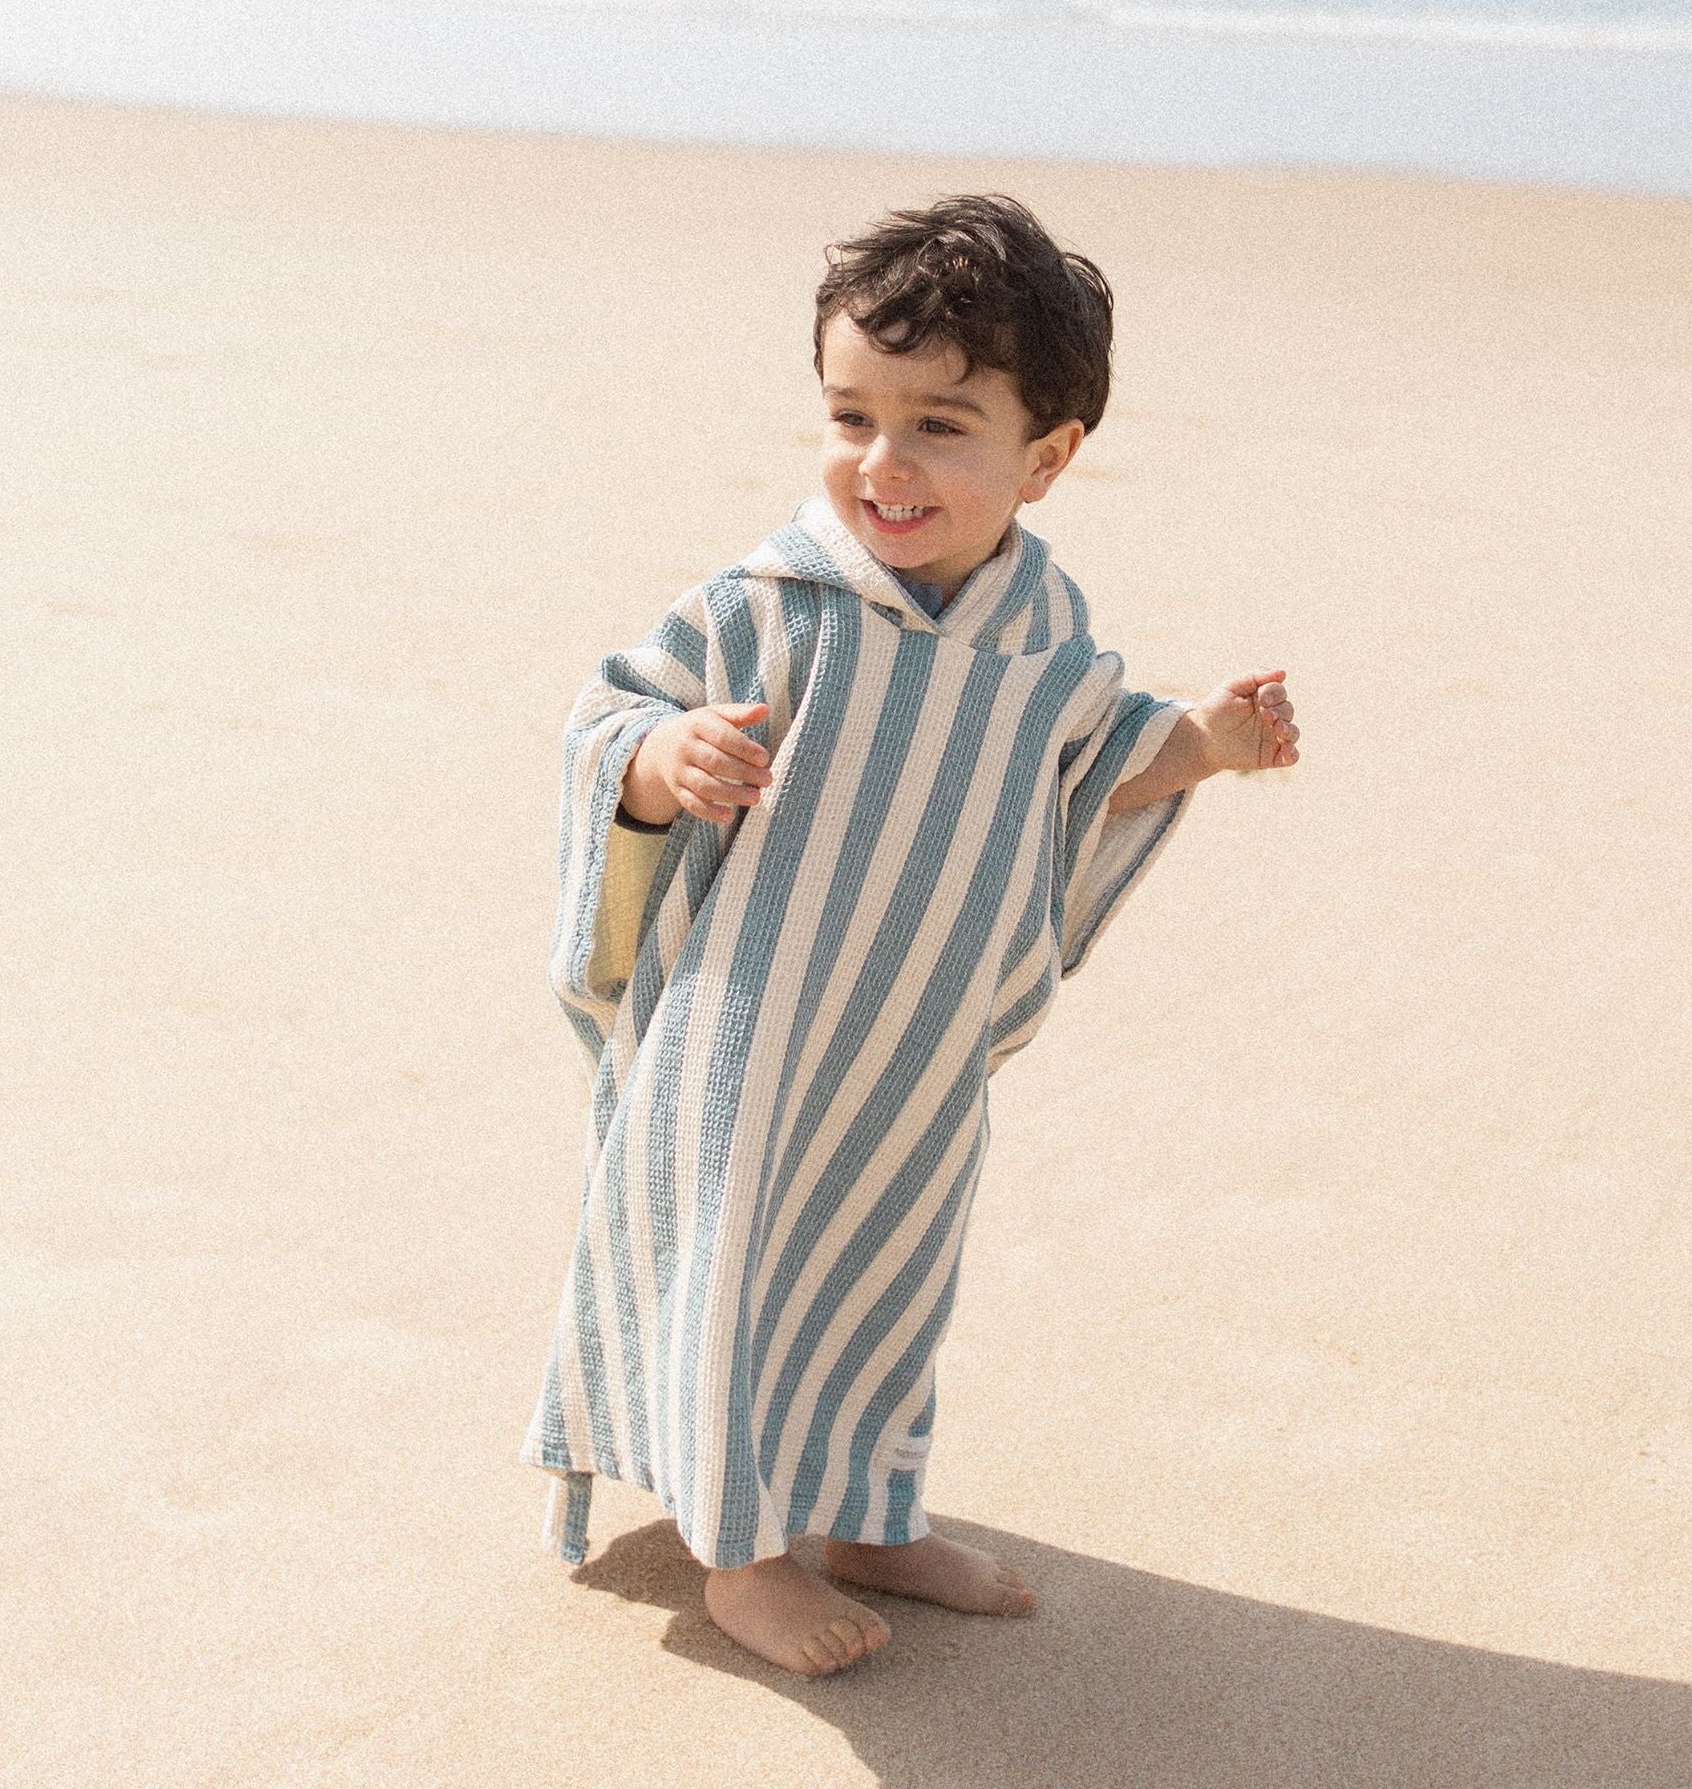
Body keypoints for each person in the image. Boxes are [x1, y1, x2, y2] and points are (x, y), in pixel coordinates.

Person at [520, 193, 1299, 1678]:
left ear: (1046, 457)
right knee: (738, 1271)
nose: (885, 463)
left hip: (913, 1048)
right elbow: (608, 712)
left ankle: (871, 1513)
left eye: (942, 425)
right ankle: (741, 1557)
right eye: (852, 415)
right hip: (745, 1038)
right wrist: (661, 758)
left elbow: (1085, 765)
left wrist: (1201, 741)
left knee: (886, 1277)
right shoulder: (771, 606)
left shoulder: (1041, 632)